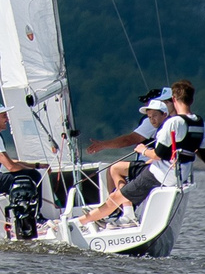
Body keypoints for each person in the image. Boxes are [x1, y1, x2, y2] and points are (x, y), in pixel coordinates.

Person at [79, 90, 184, 227]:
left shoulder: (168, 125)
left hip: (156, 168)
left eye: (164, 102)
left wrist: (144, 151)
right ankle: (122, 210)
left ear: (170, 106)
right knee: (115, 170)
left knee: (115, 169)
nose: (151, 118)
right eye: (149, 115)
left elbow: (134, 141)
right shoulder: (177, 123)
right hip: (161, 167)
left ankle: (120, 211)